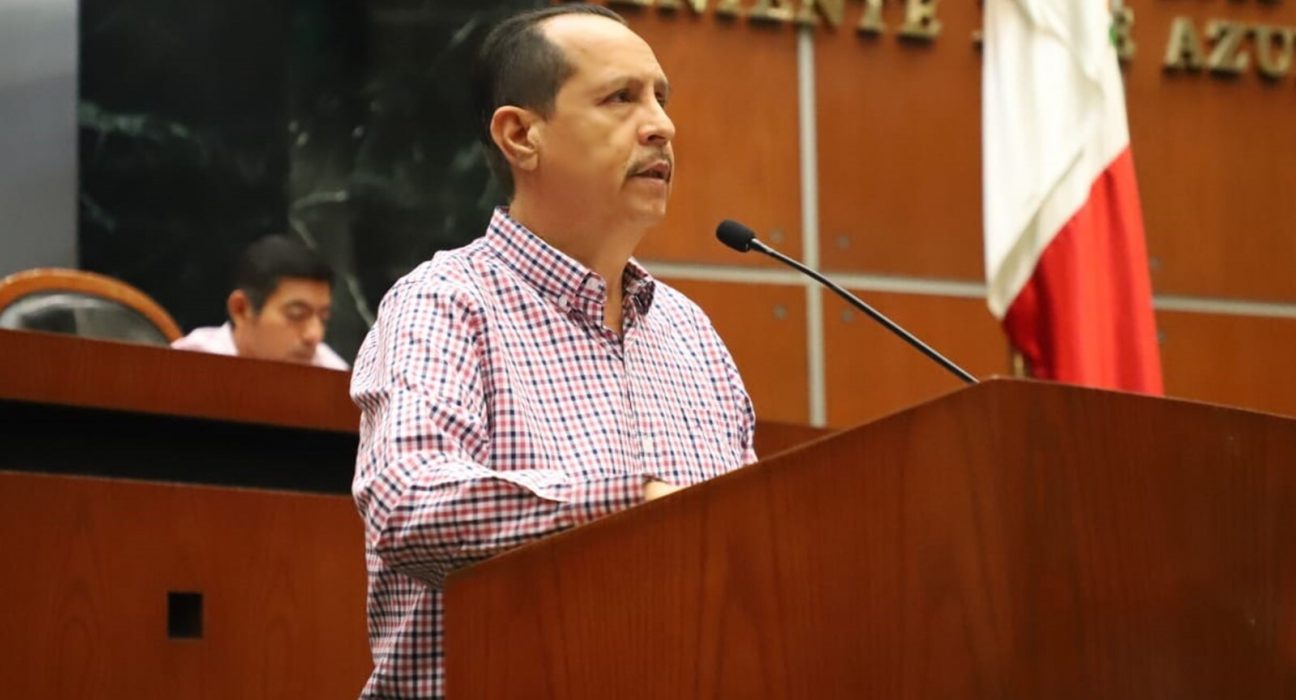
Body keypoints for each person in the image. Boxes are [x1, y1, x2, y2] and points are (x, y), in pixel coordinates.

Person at [350, 5, 756, 697]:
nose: (661, 125)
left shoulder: (691, 334)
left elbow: (749, 551)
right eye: (621, 98)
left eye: (661, 98)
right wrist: (634, 507)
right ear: (521, 136)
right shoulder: (445, 303)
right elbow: (407, 504)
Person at [171, 234, 348, 370]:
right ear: (241, 309)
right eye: (297, 315)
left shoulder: (335, 375)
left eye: (323, 319)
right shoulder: (183, 367)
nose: (314, 335)